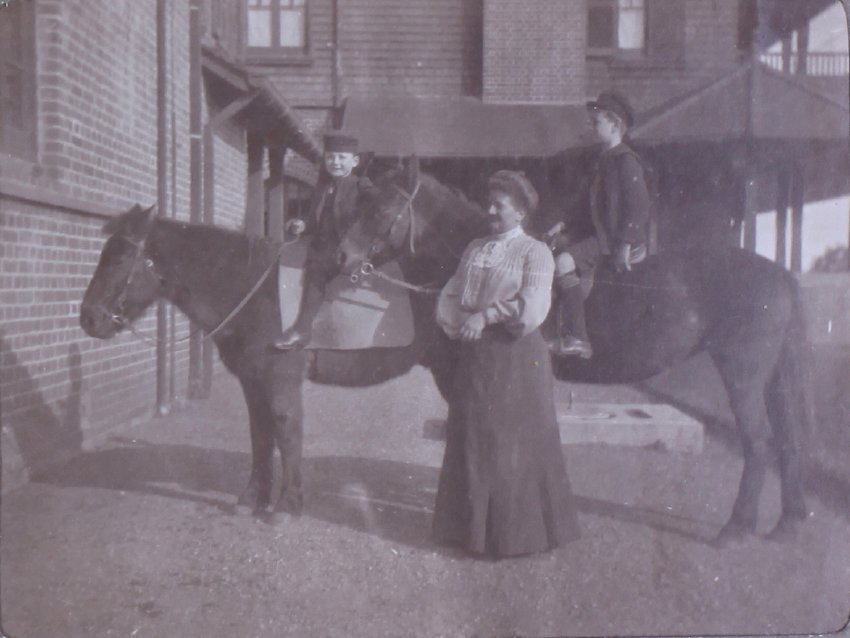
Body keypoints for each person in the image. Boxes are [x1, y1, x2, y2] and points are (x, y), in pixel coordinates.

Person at [432, 170, 581, 559]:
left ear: (520, 212)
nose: (490, 210)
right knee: (473, 436)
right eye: (490, 203)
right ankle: (471, 534)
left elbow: (533, 306)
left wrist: (487, 316)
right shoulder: (476, 248)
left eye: (500, 205)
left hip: (517, 355)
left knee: (510, 442)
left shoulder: (535, 252)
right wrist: (456, 322)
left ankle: (514, 538)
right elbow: (451, 293)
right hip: (475, 356)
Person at [544, 91, 651, 359]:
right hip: (596, 235)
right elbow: (587, 204)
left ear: (614, 126)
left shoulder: (625, 161)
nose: (591, 127)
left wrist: (625, 243)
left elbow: (638, 207)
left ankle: (578, 338)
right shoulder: (602, 160)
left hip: (611, 240)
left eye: (596, 122)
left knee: (564, 263)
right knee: (551, 250)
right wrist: (563, 224)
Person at [273, 131, 379, 350]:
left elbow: (378, 208)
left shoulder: (361, 185)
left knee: (316, 271)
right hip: (320, 246)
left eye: (342, 158)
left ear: (354, 161)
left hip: (348, 251)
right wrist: (301, 225)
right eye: (331, 157)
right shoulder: (323, 188)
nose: (335, 162)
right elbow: (314, 222)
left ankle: (301, 330)